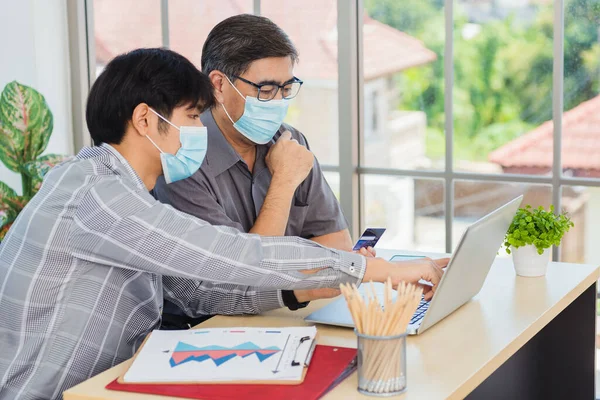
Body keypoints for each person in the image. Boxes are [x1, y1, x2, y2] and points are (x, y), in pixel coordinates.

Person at [0, 48, 447, 399]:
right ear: (144, 120)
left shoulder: (122, 192)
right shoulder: (97, 196)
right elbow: (231, 254)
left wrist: (303, 288)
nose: (200, 129)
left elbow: (193, 288)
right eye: (192, 117)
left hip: (99, 386)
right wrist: (379, 271)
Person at [153, 14, 372, 328]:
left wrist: (298, 275)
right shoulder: (182, 158)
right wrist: (283, 182)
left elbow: (336, 246)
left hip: (285, 314)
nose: (278, 102)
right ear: (218, 84)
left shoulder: (290, 141)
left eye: (286, 88)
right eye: (266, 89)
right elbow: (242, 277)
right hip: (204, 328)